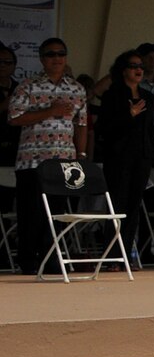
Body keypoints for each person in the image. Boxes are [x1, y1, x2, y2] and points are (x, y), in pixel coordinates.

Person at [9, 37, 89, 274]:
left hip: (64, 161)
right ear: (42, 59)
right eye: (51, 54)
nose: (56, 58)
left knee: (56, 212)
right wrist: (50, 111)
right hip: (31, 160)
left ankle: (51, 257)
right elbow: (13, 118)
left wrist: (81, 154)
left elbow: (82, 124)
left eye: (61, 54)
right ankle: (28, 259)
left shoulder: (76, 88)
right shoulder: (28, 86)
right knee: (31, 212)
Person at [96, 51, 154, 269]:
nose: (138, 70)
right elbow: (104, 128)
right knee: (117, 205)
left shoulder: (148, 97)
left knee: (133, 207)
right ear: (123, 70)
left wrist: (150, 154)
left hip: (141, 157)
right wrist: (127, 114)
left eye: (140, 66)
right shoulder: (112, 96)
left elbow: (149, 130)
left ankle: (126, 254)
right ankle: (112, 255)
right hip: (118, 158)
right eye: (133, 66)